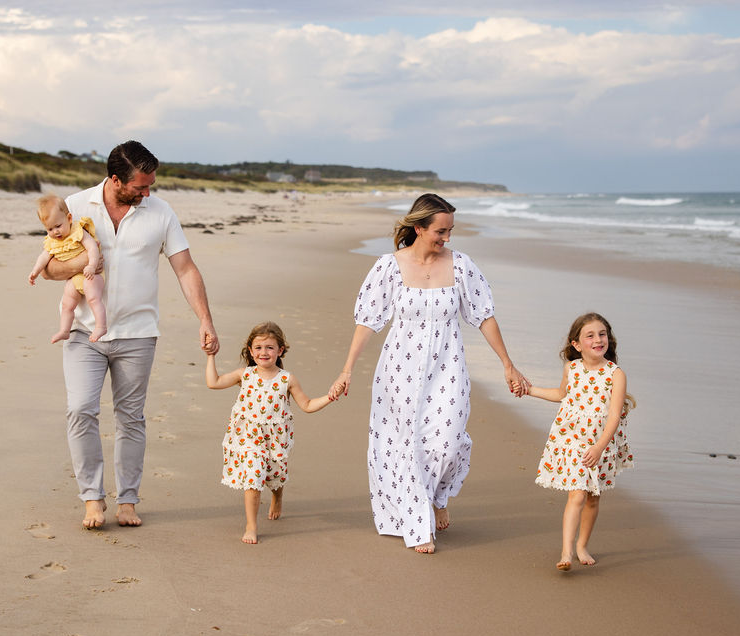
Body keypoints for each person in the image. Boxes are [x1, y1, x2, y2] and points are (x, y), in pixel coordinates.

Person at [328, 193, 531, 554]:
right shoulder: (388, 267)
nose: (447, 238)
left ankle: (438, 497)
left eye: (451, 230)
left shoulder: (462, 266)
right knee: (405, 443)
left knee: (447, 441)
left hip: (447, 368)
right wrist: (346, 371)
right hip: (398, 370)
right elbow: (367, 322)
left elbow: (483, 316)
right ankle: (418, 523)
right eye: (441, 231)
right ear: (419, 227)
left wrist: (507, 363)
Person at [40, 140, 219, 529]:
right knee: (81, 410)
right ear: (116, 179)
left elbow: (185, 269)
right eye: (140, 186)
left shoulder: (160, 212)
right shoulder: (75, 206)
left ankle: (127, 500)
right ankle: (91, 498)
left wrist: (204, 319)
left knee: (130, 418)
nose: (147, 193)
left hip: (138, 333)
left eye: (150, 184)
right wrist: (88, 263)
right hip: (84, 331)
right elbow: (50, 268)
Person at [206, 322, 332, 544]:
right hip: (248, 437)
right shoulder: (244, 375)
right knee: (253, 478)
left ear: (280, 350)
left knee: (275, 475)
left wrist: (330, 397)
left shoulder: (286, 379)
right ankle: (251, 526)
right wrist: (210, 357)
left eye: (270, 347)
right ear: (251, 350)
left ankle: (277, 497)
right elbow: (213, 383)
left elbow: (308, 405)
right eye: (259, 347)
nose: (264, 352)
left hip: (275, 440)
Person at [526, 312, 634, 571]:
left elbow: (614, 418)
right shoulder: (571, 368)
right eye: (590, 336)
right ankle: (566, 552)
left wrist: (599, 447)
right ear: (576, 344)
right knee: (576, 494)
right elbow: (561, 394)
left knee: (592, 498)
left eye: (602, 334)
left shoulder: (616, 374)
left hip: (601, 442)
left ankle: (582, 545)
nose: (598, 340)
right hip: (571, 438)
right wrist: (529, 390)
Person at [28, 194, 107, 343]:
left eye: (58, 226)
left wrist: (91, 265)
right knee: (67, 304)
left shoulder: (78, 232)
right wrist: (35, 271)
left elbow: (93, 248)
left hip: (92, 275)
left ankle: (101, 326)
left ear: (69, 218)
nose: (55, 232)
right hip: (74, 278)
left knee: (93, 298)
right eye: (50, 229)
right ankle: (64, 330)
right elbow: (44, 257)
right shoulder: (53, 241)